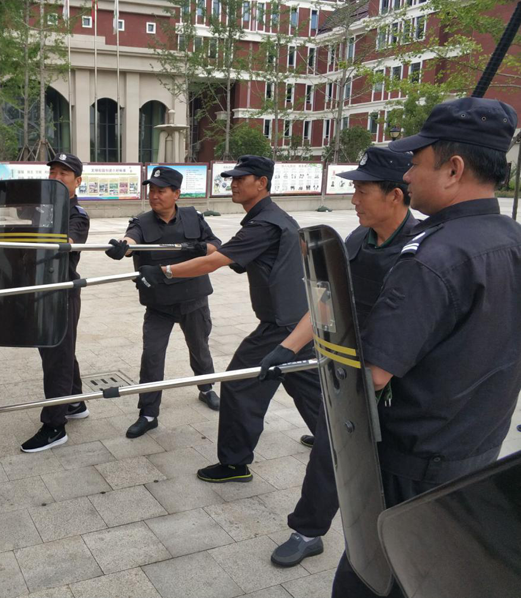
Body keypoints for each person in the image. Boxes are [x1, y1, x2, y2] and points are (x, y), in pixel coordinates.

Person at [330, 98, 521, 597]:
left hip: (414, 461)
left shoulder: (432, 258)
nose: (408, 175)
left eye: (416, 162)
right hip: (480, 447)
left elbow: (372, 374)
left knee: (374, 574)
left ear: (453, 169)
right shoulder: (513, 238)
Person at [135, 156, 334, 516]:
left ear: (262, 182)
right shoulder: (272, 218)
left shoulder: (264, 223)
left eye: (242, 179)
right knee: (307, 386)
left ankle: (234, 463)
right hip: (299, 322)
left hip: (280, 326)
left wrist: (164, 271)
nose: (234, 184)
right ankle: (336, 443)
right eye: (232, 178)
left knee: (240, 385)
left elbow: (215, 261)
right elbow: (238, 257)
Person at [257, 146, 416, 567]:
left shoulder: (422, 250)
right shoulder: (357, 239)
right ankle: (308, 531)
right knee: (330, 453)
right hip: (353, 371)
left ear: (395, 195)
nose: (353, 199)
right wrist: (287, 347)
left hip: (400, 379)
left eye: (362, 190)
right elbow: (325, 300)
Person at [0, 154, 91, 452]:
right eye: (53, 172)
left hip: (60, 293)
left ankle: (55, 426)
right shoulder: (42, 206)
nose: (56, 177)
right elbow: (13, 200)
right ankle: (75, 402)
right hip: (36, 287)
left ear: (77, 182)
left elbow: (68, 242)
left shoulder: (77, 215)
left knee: (56, 355)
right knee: (58, 349)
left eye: (64, 174)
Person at [105, 166, 222, 438]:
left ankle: (206, 388)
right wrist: (122, 247)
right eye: (152, 191)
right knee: (152, 356)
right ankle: (148, 413)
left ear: (176, 193)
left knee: (200, 347)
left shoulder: (194, 217)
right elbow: (131, 239)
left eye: (161, 191)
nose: (155, 196)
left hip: (193, 299)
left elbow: (216, 245)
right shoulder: (141, 222)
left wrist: (202, 247)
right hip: (159, 305)